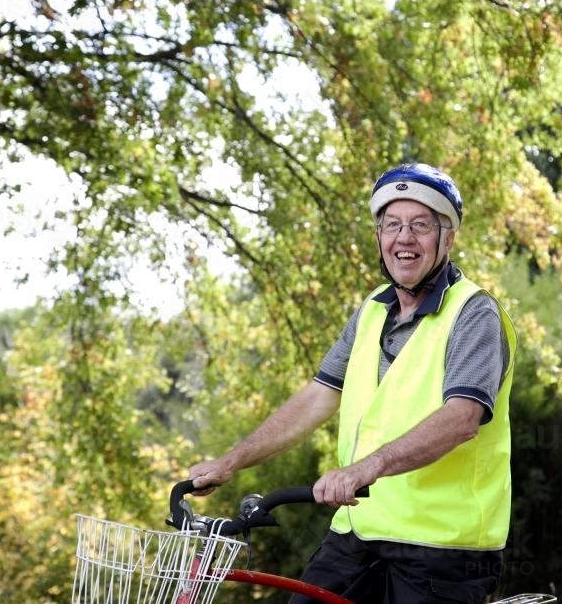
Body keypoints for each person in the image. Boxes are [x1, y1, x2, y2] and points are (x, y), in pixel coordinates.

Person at [189, 163, 517, 603]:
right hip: (358, 532)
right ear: (379, 237)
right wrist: (232, 461)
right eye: (392, 225)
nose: (404, 238)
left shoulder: (473, 313)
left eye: (420, 225)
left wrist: (365, 468)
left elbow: (462, 419)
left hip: (443, 549)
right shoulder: (372, 311)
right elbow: (318, 398)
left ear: (448, 238)